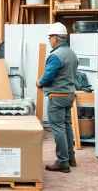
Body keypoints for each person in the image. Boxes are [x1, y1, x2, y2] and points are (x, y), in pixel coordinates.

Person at [36, 22, 78, 173]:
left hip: (57, 97)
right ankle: (71, 158)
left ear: (55, 38)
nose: (49, 40)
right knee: (67, 126)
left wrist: (39, 82)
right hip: (69, 96)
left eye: (50, 37)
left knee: (58, 129)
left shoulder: (55, 56)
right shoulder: (71, 53)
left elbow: (48, 77)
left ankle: (62, 162)